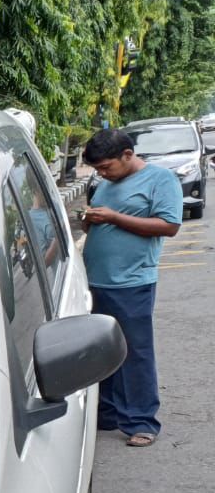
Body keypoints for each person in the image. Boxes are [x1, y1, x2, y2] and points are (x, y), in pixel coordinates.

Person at [80, 127, 181, 446]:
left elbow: (169, 225)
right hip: (96, 279)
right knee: (102, 351)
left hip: (131, 282)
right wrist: (91, 219)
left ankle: (141, 420)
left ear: (127, 155)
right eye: (97, 169)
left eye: (106, 166)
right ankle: (108, 412)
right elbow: (102, 218)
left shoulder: (160, 180)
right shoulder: (107, 183)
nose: (102, 173)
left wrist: (112, 217)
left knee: (134, 352)